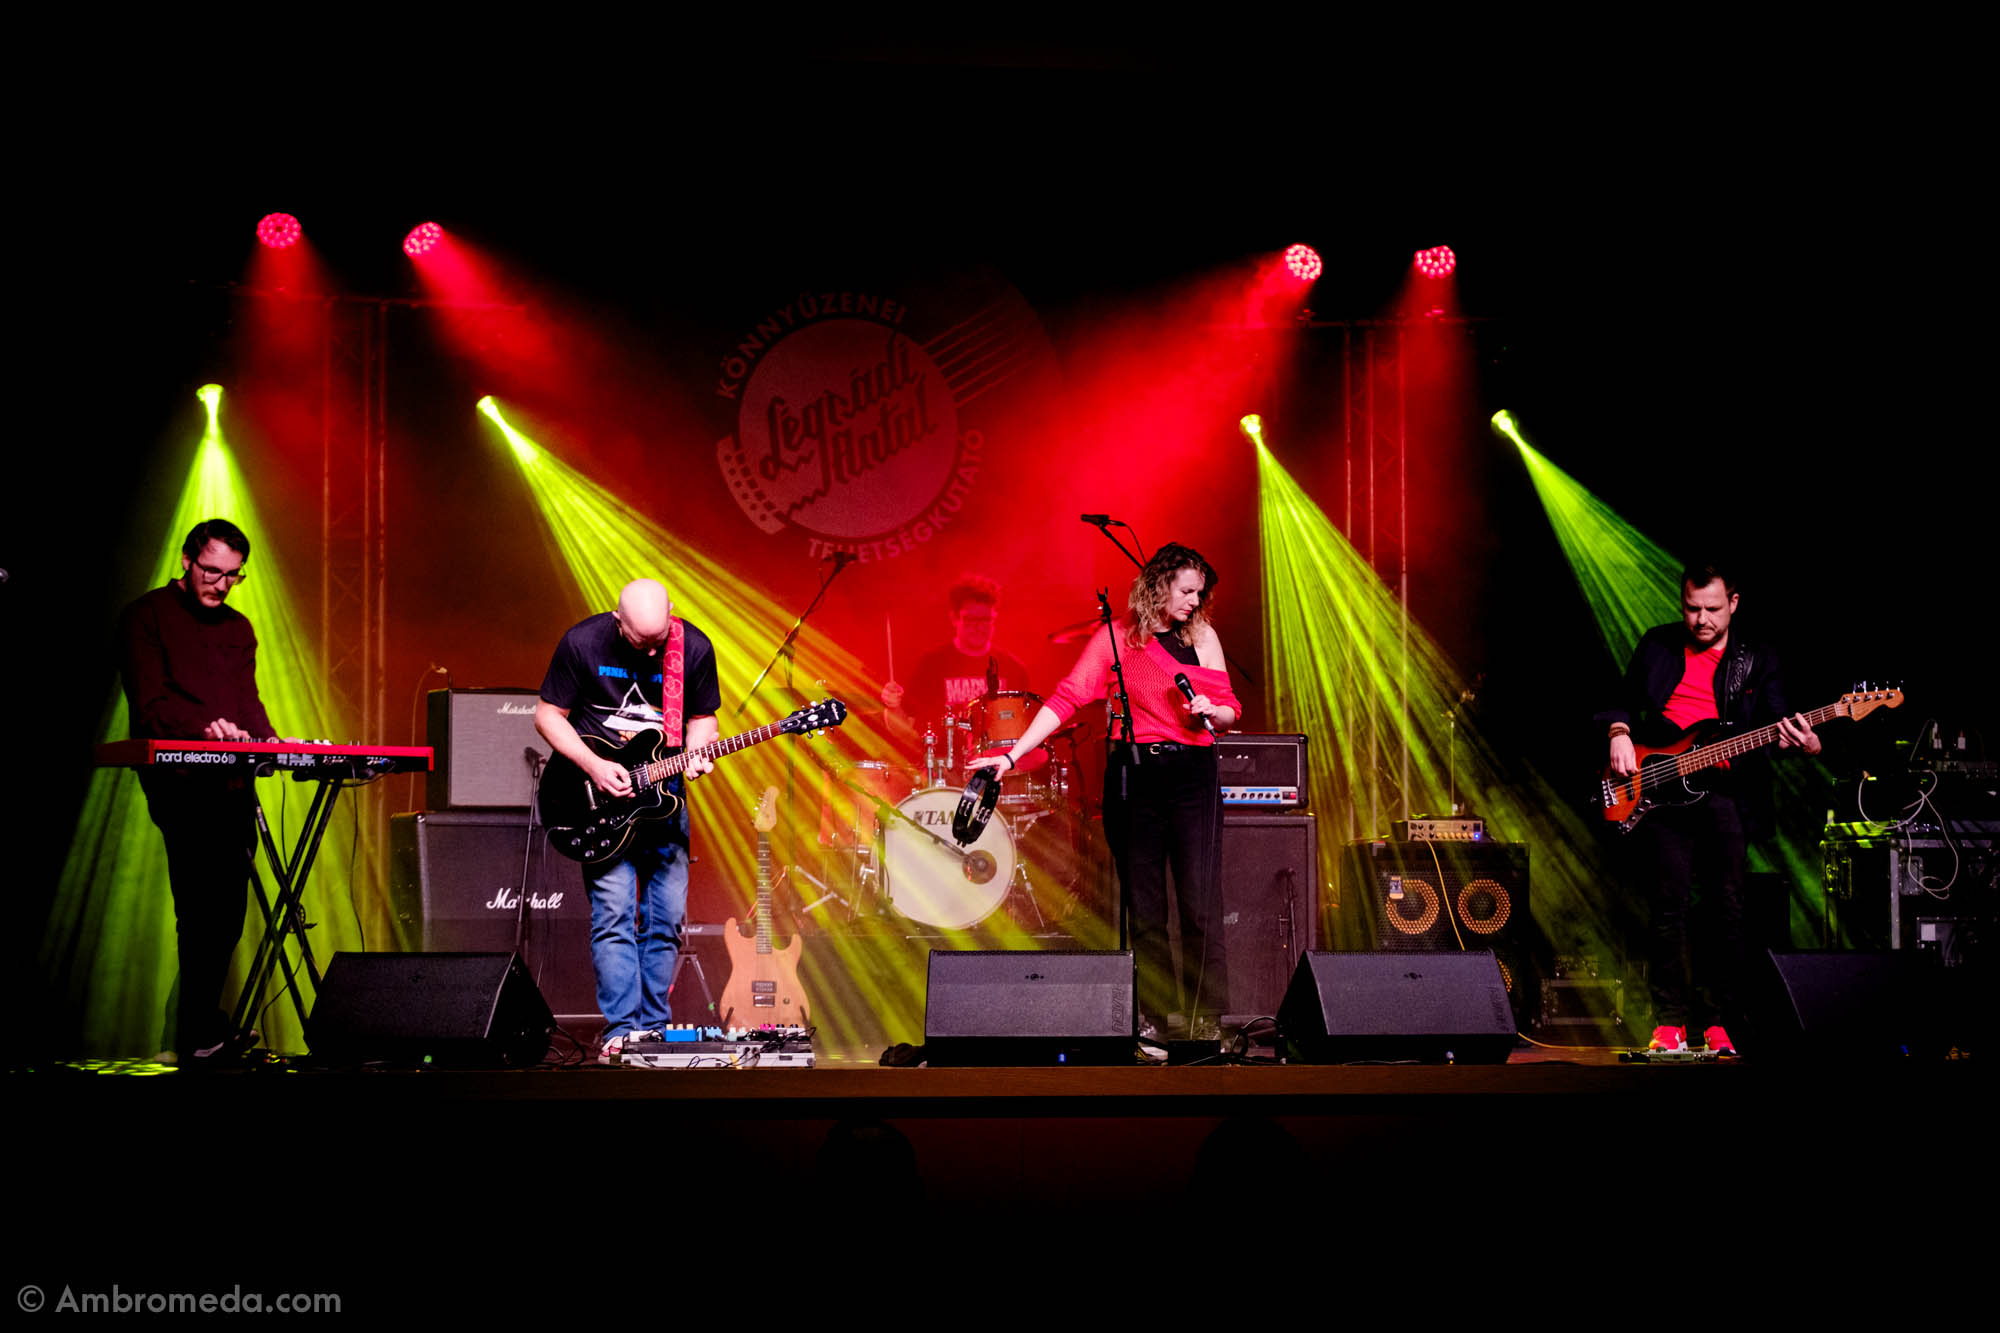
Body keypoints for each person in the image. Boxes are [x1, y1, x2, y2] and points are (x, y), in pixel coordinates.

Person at [968, 543, 1241, 1042]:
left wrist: (1211, 711)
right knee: (1145, 908)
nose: (1194, 601)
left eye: (1199, 593)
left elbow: (1228, 711)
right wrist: (1010, 757)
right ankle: (1156, 1020)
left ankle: (1206, 1020)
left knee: (1200, 904)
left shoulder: (1202, 635)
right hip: (1134, 777)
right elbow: (1067, 697)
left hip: (1192, 776)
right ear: (1159, 586)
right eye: (1186, 591)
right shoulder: (1116, 638)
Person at [1599, 561, 1821, 1057]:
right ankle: (1670, 1024)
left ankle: (1719, 1022)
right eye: (1692, 608)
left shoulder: (1757, 658)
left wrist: (1804, 743)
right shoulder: (1658, 644)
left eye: (1713, 609)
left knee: (1727, 910)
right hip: (1658, 787)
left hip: (1726, 794)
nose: (1701, 619)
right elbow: (1618, 698)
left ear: (1734, 604)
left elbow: (1778, 724)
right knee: (1668, 907)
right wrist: (1619, 732)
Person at [535, 579, 719, 1064]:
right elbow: (548, 716)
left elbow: (703, 717)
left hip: (663, 795)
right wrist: (594, 766)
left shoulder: (694, 648)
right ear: (618, 621)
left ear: (672, 613)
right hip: (597, 795)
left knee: (665, 920)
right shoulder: (583, 641)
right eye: (641, 642)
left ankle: (651, 1031)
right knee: (614, 914)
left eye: (659, 640)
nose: (653, 651)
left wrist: (697, 752)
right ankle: (621, 1030)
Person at [116, 518, 275, 1064]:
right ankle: (196, 1031)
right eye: (212, 571)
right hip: (179, 780)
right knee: (201, 902)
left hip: (230, 779)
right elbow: (150, 705)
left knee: (228, 909)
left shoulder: (239, 628)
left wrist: (275, 743)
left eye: (233, 575)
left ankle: (196, 1029)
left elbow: (248, 700)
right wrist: (205, 731)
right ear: (186, 560)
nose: (221, 584)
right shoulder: (145, 616)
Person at [880, 573, 1031, 758]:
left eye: (985, 620)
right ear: (954, 618)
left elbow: (1023, 731)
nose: (979, 627)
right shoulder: (931, 665)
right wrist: (893, 707)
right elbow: (902, 729)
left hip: (998, 767)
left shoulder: (1013, 670)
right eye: (971, 620)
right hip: (944, 767)